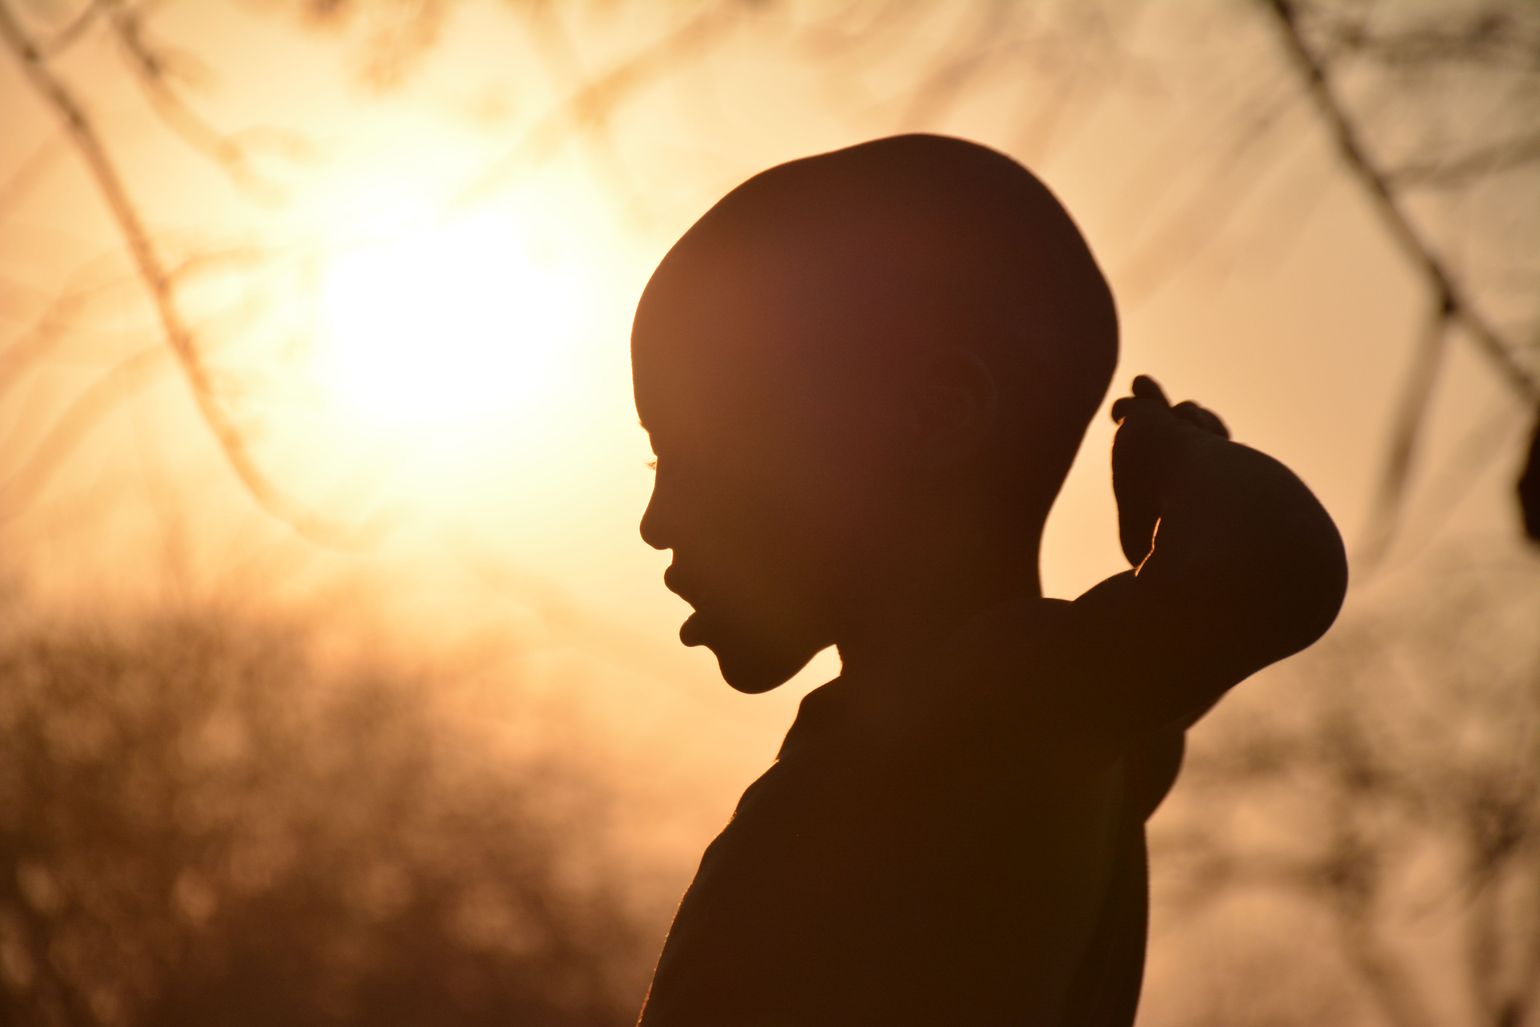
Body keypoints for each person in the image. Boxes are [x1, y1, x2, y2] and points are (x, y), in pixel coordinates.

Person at [631, 134, 1347, 1025]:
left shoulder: (993, 718)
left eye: (694, 453)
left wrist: (1187, 465)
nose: (656, 520)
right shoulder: (1067, 735)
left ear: (934, 417)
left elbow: (1275, 569)